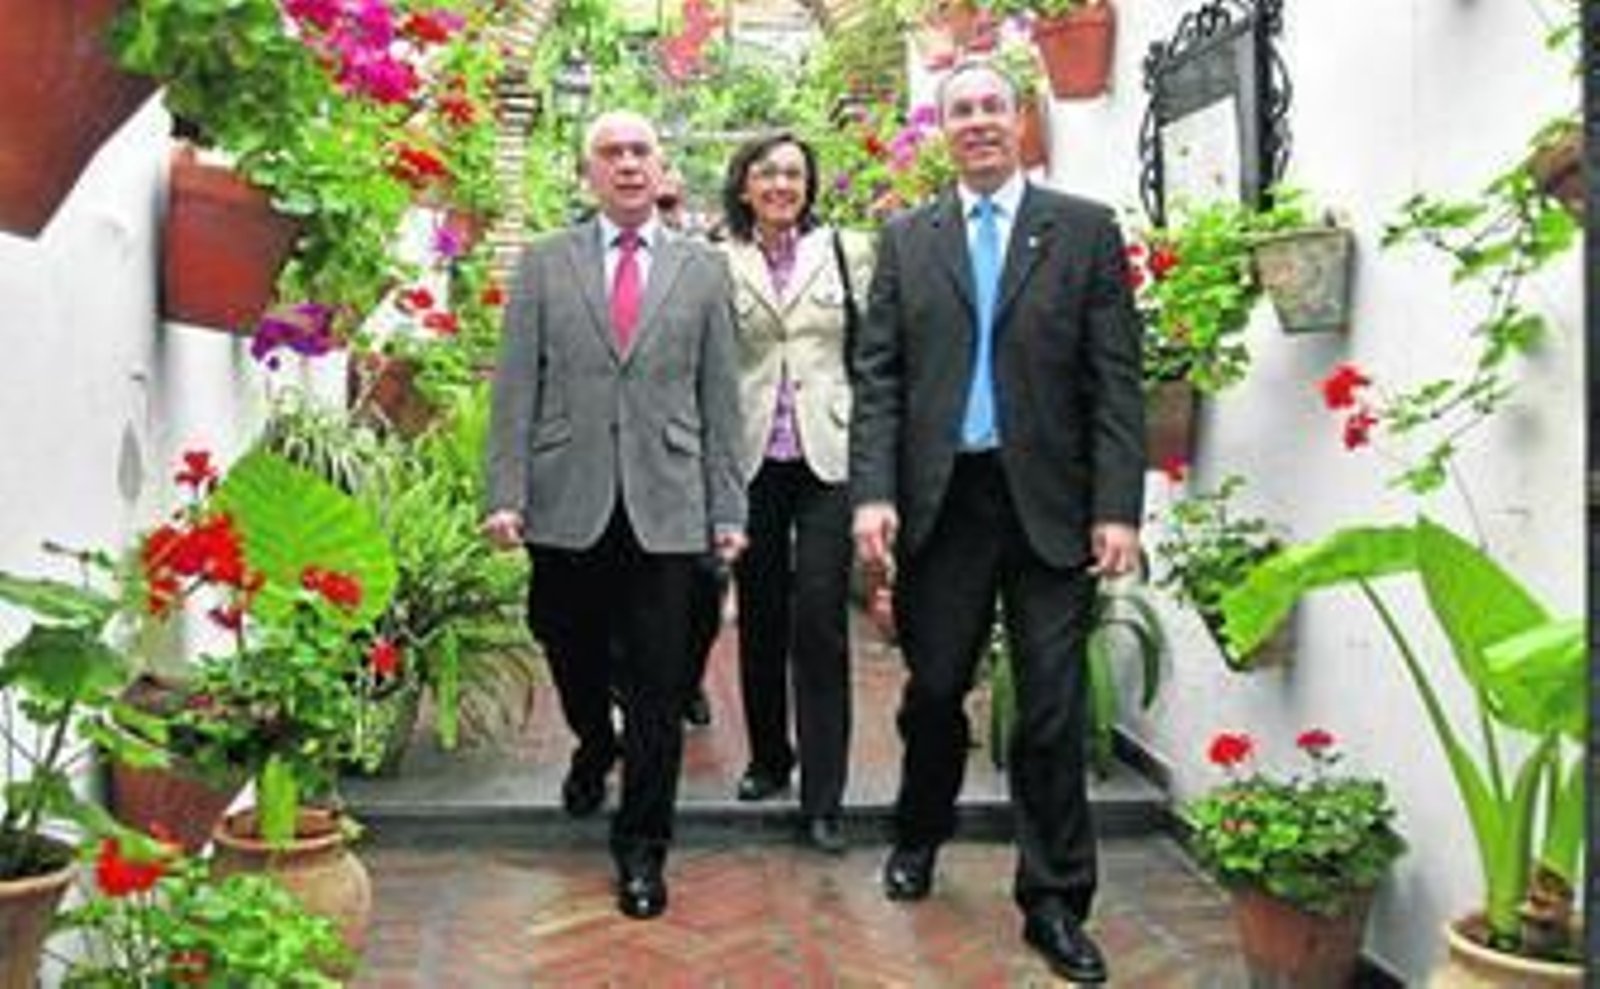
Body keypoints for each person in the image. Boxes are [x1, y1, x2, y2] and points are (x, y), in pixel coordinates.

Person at [848, 60, 1144, 984]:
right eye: (960, 110)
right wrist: (873, 492)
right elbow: (880, 378)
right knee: (937, 689)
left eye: (991, 107)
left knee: (1051, 708)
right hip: (946, 503)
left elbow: (1116, 381)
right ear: (942, 130)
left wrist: (1117, 507)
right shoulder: (908, 239)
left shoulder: (1084, 231)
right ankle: (920, 826)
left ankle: (1054, 899)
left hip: (1052, 506)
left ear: (1020, 120)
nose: (977, 122)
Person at [483, 109, 746, 921]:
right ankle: (596, 740)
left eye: (640, 151)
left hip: (669, 500)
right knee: (567, 646)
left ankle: (642, 847)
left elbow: (720, 397)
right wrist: (504, 493)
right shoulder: (543, 263)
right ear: (587, 171)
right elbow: (515, 387)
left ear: (661, 169)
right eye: (611, 152)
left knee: (661, 684)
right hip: (569, 496)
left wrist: (728, 506)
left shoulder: (702, 270)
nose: (628, 164)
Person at [719, 131, 871, 854]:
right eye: (767, 173)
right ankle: (768, 757)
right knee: (761, 614)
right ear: (744, 185)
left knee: (820, 617)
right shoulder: (716, 261)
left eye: (793, 173)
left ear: (809, 186)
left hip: (829, 458)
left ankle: (824, 793)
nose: (781, 184)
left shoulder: (848, 251)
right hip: (751, 457)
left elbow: (873, 353)